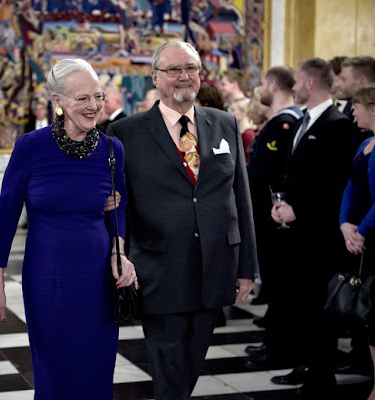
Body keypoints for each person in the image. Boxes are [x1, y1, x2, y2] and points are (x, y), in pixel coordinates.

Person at [108, 42, 257, 399]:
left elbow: (241, 198)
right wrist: (117, 254)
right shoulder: (125, 133)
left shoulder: (224, 123)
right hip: (159, 268)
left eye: (190, 67)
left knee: (191, 361)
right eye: (173, 69)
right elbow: (117, 206)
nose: (183, 76)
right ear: (156, 78)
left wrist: (247, 267)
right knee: (168, 363)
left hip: (215, 266)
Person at [0, 58, 137, 399]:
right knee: (54, 369)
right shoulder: (31, 146)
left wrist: (120, 253)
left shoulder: (112, 149)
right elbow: (7, 214)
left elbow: (120, 208)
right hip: (47, 277)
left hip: (98, 278)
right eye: (82, 98)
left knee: (96, 369)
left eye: (97, 96)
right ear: (58, 102)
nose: (93, 105)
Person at [271, 58, 356, 398]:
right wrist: (282, 203)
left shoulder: (337, 124)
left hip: (319, 234)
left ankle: (321, 377)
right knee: (302, 303)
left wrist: (298, 209)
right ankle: (307, 368)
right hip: (298, 231)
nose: (292, 86)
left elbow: (334, 182)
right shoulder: (307, 120)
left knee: (319, 308)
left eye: (296, 81)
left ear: (308, 83)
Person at [244, 66, 303, 368]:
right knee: (275, 281)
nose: (261, 89)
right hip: (266, 212)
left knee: (280, 284)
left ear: (274, 85)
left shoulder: (285, 122)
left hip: (274, 213)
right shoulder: (280, 120)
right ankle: (273, 341)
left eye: (264, 83)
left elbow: (266, 170)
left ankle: (279, 346)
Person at [339, 84, 375, 400]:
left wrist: (361, 229)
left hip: (373, 236)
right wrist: (344, 224)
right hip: (361, 237)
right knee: (369, 314)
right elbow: (351, 185)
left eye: (358, 106)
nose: (353, 111)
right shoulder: (365, 142)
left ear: (374, 108)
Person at [230, 97, 256, 162]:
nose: (230, 112)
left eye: (233, 110)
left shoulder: (248, 134)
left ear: (243, 112)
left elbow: (248, 158)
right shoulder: (238, 130)